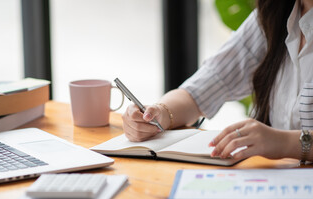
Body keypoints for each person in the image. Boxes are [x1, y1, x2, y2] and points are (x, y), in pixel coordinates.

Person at [122, 0, 313, 163]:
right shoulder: (276, 14)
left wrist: (286, 143)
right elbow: (204, 86)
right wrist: (159, 113)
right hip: (277, 185)